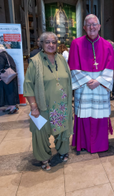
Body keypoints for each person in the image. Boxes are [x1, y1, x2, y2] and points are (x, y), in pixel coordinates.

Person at [24, 32, 73, 171]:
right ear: (42, 44)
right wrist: (34, 107)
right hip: (43, 106)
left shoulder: (62, 60)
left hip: (62, 105)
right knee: (41, 132)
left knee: (62, 130)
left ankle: (63, 151)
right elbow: (28, 85)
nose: (51, 45)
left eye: (54, 42)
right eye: (47, 42)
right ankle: (43, 157)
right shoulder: (35, 62)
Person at [68, 14, 114, 154]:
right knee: (84, 115)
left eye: (94, 24)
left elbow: (110, 67)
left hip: (99, 87)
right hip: (84, 87)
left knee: (99, 117)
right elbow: (73, 67)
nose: (92, 27)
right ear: (84, 27)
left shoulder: (107, 45)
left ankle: (100, 145)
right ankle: (83, 143)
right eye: (88, 25)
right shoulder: (76, 43)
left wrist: (99, 81)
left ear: (99, 26)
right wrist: (88, 80)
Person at [0, 44, 19, 114]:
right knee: (10, 91)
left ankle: (13, 107)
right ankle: (10, 106)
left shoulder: (0, 55)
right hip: (10, 76)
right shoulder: (7, 55)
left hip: (5, 77)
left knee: (8, 92)